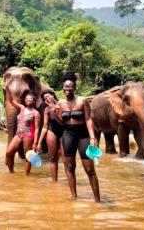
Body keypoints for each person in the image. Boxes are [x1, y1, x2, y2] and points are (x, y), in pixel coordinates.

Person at [55, 72, 100, 202]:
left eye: (70, 87)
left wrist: (92, 137)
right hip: (68, 135)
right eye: (65, 87)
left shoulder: (82, 101)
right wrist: (56, 113)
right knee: (69, 167)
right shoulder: (61, 104)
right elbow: (61, 122)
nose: (68, 89)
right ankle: (74, 197)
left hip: (83, 135)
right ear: (63, 89)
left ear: (75, 88)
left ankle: (97, 201)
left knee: (90, 169)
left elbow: (88, 120)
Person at [5, 87, 40, 175]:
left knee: (27, 156)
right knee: (9, 153)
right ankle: (11, 172)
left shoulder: (36, 113)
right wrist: (7, 89)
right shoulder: (22, 108)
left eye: (30, 99)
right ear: (25, 101)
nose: (29, 100)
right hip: (18, 134)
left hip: (29, 135)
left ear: (34, 101)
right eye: (27, 99)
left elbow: (37, 128)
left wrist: (36, 142)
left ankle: (26, 176)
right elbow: (11, 100)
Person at [36, 89, 65, 182]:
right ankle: (54, 183)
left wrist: (55, 111)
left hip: (64, 133)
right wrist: (39, 143)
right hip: (51, 132)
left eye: (49, 96)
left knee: (66, 159)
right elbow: (45, 127)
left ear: (53, 95)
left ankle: (69, 179)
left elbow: (63, 123)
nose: (48, 99)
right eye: (45, 98)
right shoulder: (47, 109)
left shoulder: (63, 105)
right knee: (53, 158)